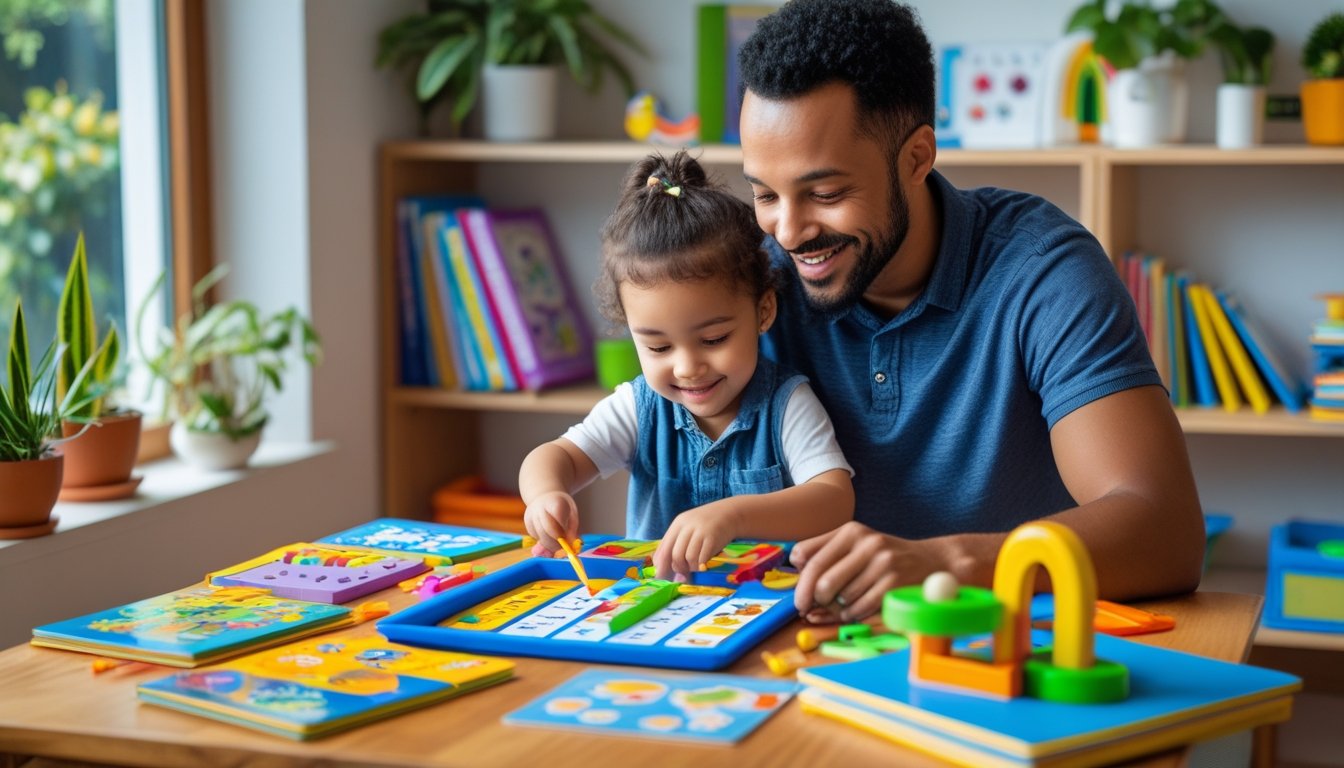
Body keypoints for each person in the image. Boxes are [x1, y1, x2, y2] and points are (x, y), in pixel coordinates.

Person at [736, 0, 1205, 624]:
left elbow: (1165, 530)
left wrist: (948, 564)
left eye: (825, 193)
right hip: (803, 655)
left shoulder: (1042, 270)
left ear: (916, 158)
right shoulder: (754, 278)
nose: (789, 231)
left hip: (1000, 661)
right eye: (765, 194)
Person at [519, 151, 855, 580]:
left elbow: (834, 499)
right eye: (658, 348)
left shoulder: (786, 404)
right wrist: (546, 495)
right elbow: (553, 457)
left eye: (713, 339)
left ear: (763, 311)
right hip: (656, 614)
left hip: (762, 613)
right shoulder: (638, 408)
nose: (688, 367)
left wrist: (733, 517)